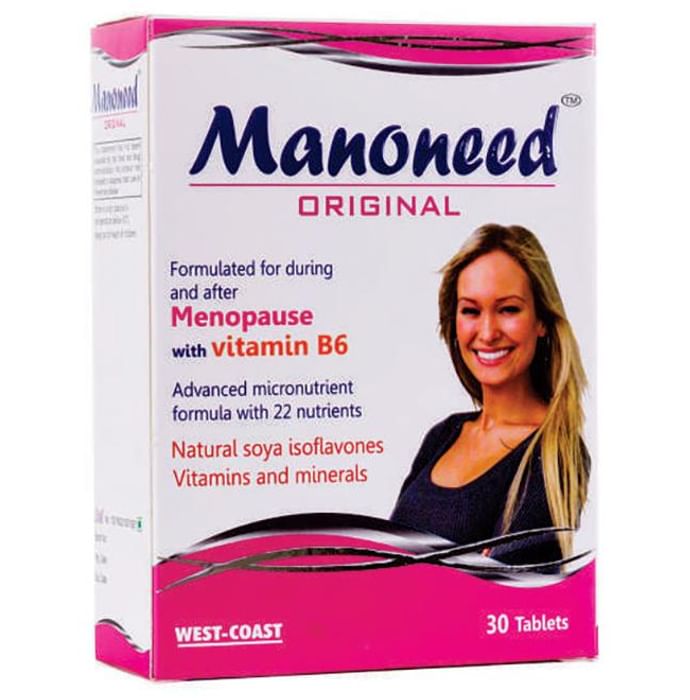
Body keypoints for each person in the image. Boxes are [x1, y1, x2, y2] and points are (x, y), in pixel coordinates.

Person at [391, 224, 589, 565]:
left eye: (508, 309)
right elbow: (382, 564)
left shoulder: (554, 452)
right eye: (471, 310)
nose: (487, 332)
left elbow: (494, 588)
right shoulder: (443, 435)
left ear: (541, 319)